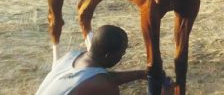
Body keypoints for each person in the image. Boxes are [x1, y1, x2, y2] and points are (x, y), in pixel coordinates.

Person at [36, 25, 172, 94]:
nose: (122, 57)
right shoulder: (104, 86)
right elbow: (103, 82)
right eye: (121, 53)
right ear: (108, 56)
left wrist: (141, 74)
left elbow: (101, 78)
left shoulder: (72, 56)